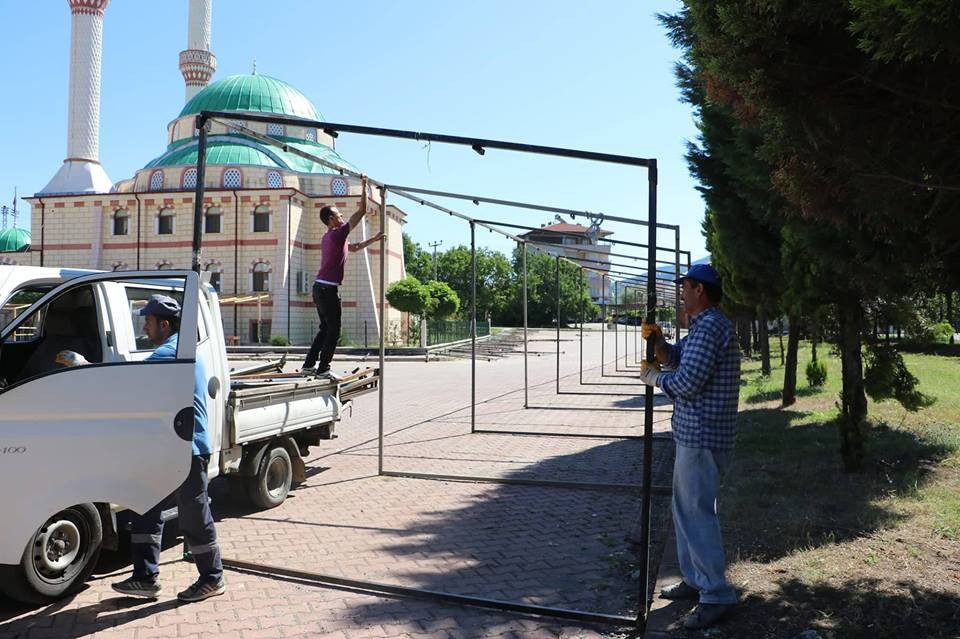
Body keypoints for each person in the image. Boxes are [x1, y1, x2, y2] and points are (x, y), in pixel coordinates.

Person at [638, 264, 740, 630]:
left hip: (703, 435)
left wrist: (655, 378)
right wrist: (660, 345)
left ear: (700, 290)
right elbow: (680, 358)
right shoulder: (702, 326)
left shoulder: (711, 325)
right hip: (693, 433)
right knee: (686, 511)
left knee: (697, 513)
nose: (681, 293)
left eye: (685, 287)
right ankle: (697, 581)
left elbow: (689, 381)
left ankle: (716, 595)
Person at [112, 294, 225, 603]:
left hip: (187, 449)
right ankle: (145, 578)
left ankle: (212, 578)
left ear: (164, 324)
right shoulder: (175, 350)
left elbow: (129, 383)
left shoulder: (170, 353)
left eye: (148, 322)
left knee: (194, 516)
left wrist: (84, 368)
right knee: (145, 505)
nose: (145, 328)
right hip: (169, 447)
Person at [303, 178, 384, 376]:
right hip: (327, 290)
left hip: (319, 288)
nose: (342, 217)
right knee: (333, 331)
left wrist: (374, 238)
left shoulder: (330, 237)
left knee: (324, 329)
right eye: (339, 215)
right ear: (331, 219)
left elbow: (353, 248)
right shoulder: (338, 233)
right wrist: (364, 186)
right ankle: (323, 369)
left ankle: (308, 365)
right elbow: (362, 211)